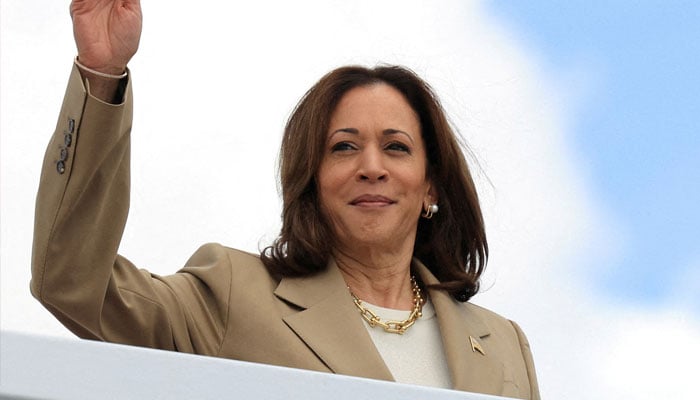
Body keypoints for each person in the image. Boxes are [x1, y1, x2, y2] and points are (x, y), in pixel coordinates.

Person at [31, 1, 540, 398]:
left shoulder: (505, 348)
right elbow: (72, 284)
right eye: (343, 147)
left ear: (431, 184)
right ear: (312, 181)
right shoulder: (234, 299)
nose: (371, 167)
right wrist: (102, 75)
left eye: (396, 147)